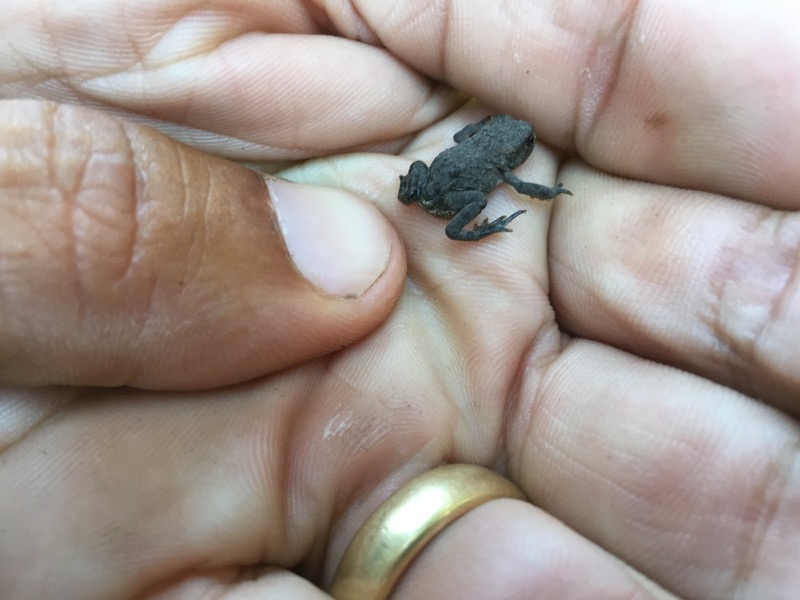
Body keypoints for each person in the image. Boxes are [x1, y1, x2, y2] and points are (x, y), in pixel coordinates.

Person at [1, 2, 798, 598]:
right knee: (461, 223)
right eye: (513, 142)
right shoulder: (495, 156)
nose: (516, 142)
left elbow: (473, 154)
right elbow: (497, 178)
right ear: (504, 146)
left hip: (450, 175)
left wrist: (502, 179)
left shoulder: (477, 144)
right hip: (456, 186)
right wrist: (529, 199)